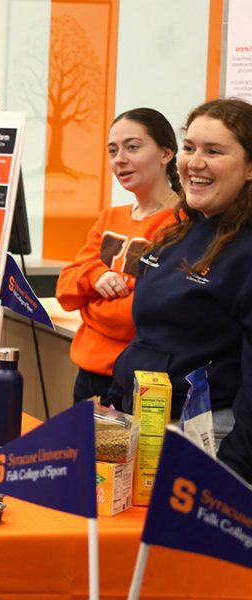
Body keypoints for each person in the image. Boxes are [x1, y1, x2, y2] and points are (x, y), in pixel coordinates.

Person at [108, 98, 252, 465]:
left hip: (205, 440)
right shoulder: (181, 233)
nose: (195, 163)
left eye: (214, 151)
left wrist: (232, 472)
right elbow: (149, 336)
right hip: (142, 423)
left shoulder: (245, 250)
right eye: (190, 148)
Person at [56, 108, 180, 405]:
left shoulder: (181, 223)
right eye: (113, 151)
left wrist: (89, 307)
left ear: (166, 154)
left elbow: (133, 319)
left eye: (132, 147)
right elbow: (65, 291)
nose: (119, 159)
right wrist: (95, 275)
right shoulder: (109, 217)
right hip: (86, 376)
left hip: (134, 380)